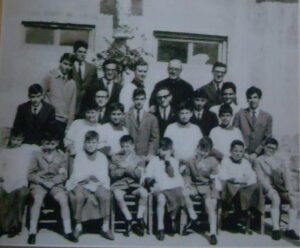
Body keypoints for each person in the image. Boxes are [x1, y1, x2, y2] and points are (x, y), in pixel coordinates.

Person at [143, 138, 197, 241]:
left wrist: (168, 163)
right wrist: (153, 183)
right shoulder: (154, 160)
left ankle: (175, 218)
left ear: (171, 151)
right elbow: (148, 175)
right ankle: (160, 227)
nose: (164, 152)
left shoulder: (173, 161)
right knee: (161, 200)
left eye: (167, 150)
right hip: (160, 187)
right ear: (158, 150)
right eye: (162, 150)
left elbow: (174, 175)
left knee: (182, 193)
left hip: (172, 186)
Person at [27, 133, 77, 245]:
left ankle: (68, 231)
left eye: (53, 144)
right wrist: (42, 182)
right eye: (47, 143)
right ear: (42, 143)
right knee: (38, 199)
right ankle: (32, 232)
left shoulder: (61, 155)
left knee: (63, 200)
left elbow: (63, 175)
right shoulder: (36, 155)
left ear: (57, 143)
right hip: (40, 183)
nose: (50, 146)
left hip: (55, 184)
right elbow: (30, 174)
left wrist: (53, 182)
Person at [66, 131, 113, 241]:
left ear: (97, 144)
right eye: (88, 142)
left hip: (98, 182)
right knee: (79, 197)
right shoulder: (80, 156)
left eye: (93, 142)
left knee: (105, 196)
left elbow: (103, 173)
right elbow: (77, 172)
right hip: (82, 182)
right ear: (84, 143)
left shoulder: (102, 157)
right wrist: (86, 177)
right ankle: (78, 226)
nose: (91, 145)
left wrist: (96, 178)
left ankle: (105, 227)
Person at [255, 138, 300, 241]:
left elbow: (286, 176)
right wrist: (270, 189)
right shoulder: (259, 160)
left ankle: (290, 229)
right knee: (275, 198)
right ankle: (276, 228)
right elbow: (261, 179)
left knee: (294, 200)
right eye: (269, 148)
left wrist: (289, 190)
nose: (271, 150)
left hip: (281, 187)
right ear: (264, 147)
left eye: (274, 149)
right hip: (267, 188)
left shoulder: (279, 159)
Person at [0, 130, 38, 238]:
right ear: (10, 139)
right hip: (7, 179)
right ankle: (3, 226)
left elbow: (40, 148)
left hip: (21, 180)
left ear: (22, 140)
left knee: (21, 195)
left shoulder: (26, 148)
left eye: (19, 140)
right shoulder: (5, 152)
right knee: (2, 195)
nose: (16, 142)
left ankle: (15, 226)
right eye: (14, 139)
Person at [184, 137, 220, 245]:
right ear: (197, 148)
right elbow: (187, 175)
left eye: (206, 151)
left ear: (209, 151)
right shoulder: (190, 160)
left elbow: (215, 177)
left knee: (210, 206)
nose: (203, 153)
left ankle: (212, 233)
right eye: (201, 149)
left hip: (207, 187)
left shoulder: (212, 161)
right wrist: (187, 184)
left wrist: (214, 191)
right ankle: (193, 216)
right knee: (184, 193)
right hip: (194, 186)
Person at [110, 135, 148, 236]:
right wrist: (124, 170)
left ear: (133, 146)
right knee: (117, 195)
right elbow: (113, 173)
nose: (125, 149)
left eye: (127, 146)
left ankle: (139, 218)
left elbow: (138, 175)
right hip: (120, 185)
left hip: (134, 185)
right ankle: (129, 219)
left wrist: (126, 167)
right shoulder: (116, 157)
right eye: (123, 146)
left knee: (144, 193)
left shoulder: (139, 159)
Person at [218, 140, 259, 233]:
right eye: (235, 151)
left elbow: (251, 176)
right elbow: (223, 175)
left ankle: (247, 213)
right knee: (227, 185)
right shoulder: (226, 161)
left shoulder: (245, 162)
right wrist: (236, 179)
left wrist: (245, 181)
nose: (238, 154)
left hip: (242, 188)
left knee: (255, 186)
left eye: (241, 152)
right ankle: (236, 214)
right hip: (230, 188)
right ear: (230, 151)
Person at [42, 53, 77, 142]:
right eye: (65, 64)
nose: (67, 67)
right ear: (60, 62)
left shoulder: (72, 83)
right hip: (49, 119)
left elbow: (72, 107)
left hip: (63, 122)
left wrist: (69, 126)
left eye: (70, 65)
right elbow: (41, 96)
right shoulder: (50, 76)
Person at [234, 86, 272, 162]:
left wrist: (256, 153)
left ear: (259, 98)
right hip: (242, 155)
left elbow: (267, 138)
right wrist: (242, 152)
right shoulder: (240, 114)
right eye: (250, 98)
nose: (252, 100)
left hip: (259, 156)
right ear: (247, 99)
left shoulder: (267, 117)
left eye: (255, 97)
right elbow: (234, 133)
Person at [125, 88, 159, 156]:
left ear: (145, 99)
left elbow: (154, 139)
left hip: (145, 155)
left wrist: (150, 154)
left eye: (141, 99)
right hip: (128, 154)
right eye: (137, 99)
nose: (139, 102)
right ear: (133, 99)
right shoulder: (125, 116)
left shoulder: (152, 118)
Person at [72, 40, 97, 115]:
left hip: (86, 105)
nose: (82, 54)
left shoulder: (92, 67)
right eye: (80, 52)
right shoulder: (70, 67)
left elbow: (95, 85)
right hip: (71, 103)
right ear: (74, 52)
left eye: (84, 52)